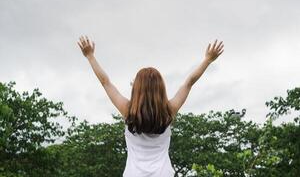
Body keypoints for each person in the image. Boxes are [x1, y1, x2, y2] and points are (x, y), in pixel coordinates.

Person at [77, 36, 224, 176]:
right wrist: (208, 60)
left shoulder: (127, 110)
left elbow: (106, 82)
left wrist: (90, 56)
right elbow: (189, 82)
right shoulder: (169, 111)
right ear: (160, 89)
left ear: (136, 89)